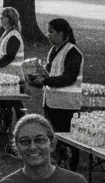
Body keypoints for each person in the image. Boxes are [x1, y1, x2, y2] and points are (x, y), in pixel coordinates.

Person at [29, 18, 84, 169]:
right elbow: (49, 74)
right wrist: (37, 77)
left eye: (51, 32)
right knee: (54, 138)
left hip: (67, 105)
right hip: (51, 103)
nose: (48, 35)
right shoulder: (54, 50)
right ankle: (57, 165)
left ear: (61, 33)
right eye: (48, 31)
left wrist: (45, 81)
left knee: (68, 141)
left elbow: (69, 78)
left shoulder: (73, 52)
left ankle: (71, 168)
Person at [0, 7, 25, 138]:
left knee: (14, 103)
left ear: (9, 19)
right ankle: (6, 128)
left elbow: (9, 56)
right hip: (6, 75)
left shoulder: (14, 35)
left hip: (13, 76)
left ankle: (19, 128)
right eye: (0, 17)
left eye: (3, 17)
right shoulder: (7, 32)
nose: (0, 19)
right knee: (6, 103)